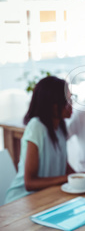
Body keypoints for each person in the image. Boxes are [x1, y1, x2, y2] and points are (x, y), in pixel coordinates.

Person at [5, 76, 75, 204]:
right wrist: (68, 178)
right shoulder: (36, 126)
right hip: (21, 201)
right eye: (66, 101)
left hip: (47, 198)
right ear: (53, 105)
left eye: (71, 99)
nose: (71, 105)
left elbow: (63, 165)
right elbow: (30, 183)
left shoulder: (60, 127)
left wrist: (83, 176)